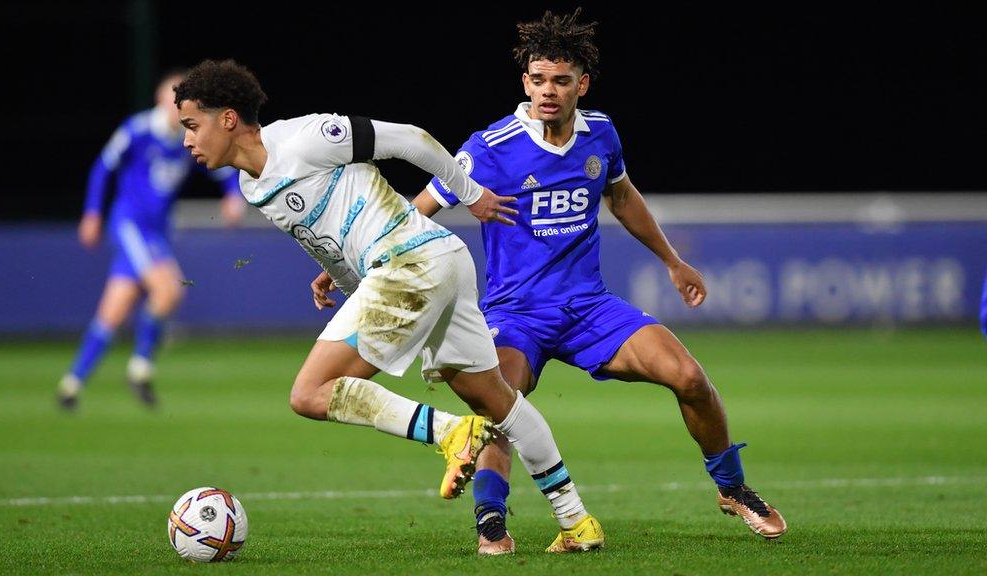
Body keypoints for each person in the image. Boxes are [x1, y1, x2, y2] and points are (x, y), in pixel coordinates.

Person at [327, 8, 788, 552]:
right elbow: (417, 212)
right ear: (525, 82)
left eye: (561, 81)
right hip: (513, 313)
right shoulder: (490, 149)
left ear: (581, 84)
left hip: (589, 307)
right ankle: (492, 522)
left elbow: (621, 196)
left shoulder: (601, 135)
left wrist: (671, 260)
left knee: (689, 377)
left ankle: (733, 488)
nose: (548, 91)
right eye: (539, 79)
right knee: (499, 403)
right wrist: (347, 262)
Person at [174, 59, 603, 552]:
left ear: (227, 118)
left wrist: (470, 193)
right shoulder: (253, 184)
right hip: (435, 260)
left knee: (310, 392)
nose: (187, 140)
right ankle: (576, 521)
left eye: (192, 125)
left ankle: (450, 433)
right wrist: (341, 279)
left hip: (409, 262)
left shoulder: (303, 139)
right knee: (497, 400)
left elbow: (411, 139)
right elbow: (329, 240)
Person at [57, 70, 244, 411]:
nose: (183, 110)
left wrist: (233, 195)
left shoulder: (189, 138)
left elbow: (223, 168)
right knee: (170, 290)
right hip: (130, 225)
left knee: (112, 313)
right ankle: (140, 368)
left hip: (155, 232)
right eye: (178, 103)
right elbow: (103, 166)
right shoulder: (139, 130)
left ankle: (71, 385)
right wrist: (92, 213)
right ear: (162, 102)